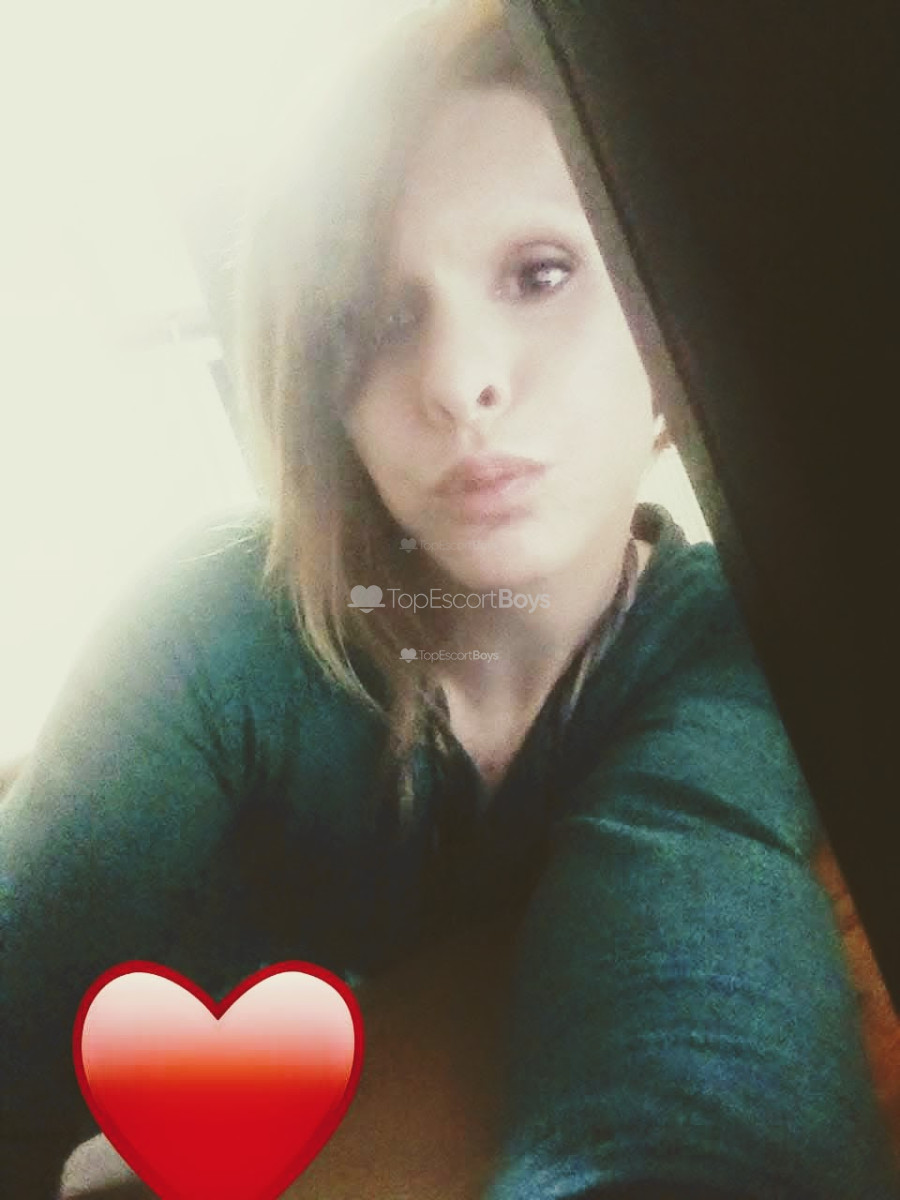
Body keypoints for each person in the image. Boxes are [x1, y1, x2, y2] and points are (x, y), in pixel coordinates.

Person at [2, 3, 897, 1198]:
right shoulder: (217, 640)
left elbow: (695, 975)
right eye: (381, 315)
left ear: (668, 321)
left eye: (540, 273)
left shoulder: (725, 651)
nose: (458, 380)